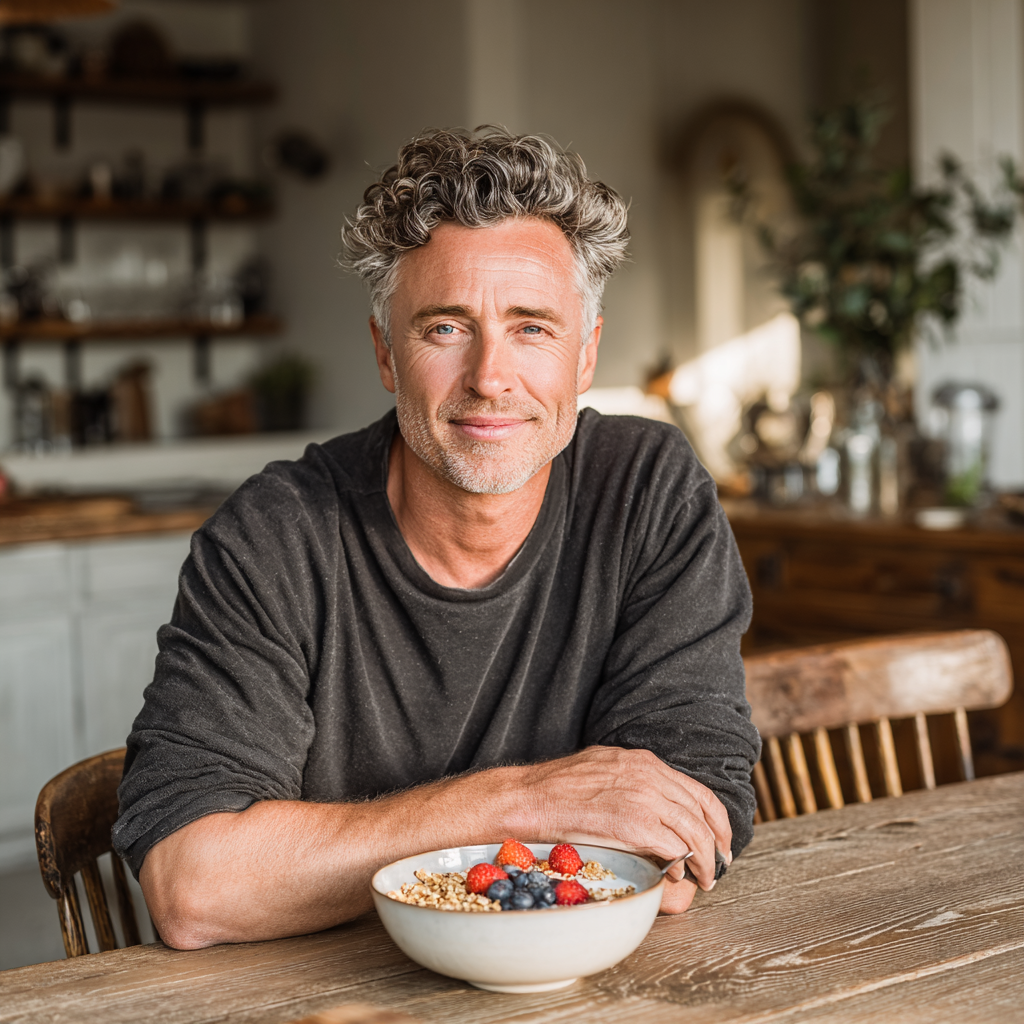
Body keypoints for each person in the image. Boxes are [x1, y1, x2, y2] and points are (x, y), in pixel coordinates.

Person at [113, 127, 760, 950]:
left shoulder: (647, 491)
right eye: (446, 328)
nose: (489, 377)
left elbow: (684, 834)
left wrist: (322, 859)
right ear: (386, 353)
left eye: (532, 328)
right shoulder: (276, 535)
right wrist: (521, 802)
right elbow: (193, 887)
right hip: (322, 996)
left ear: (586, 354)